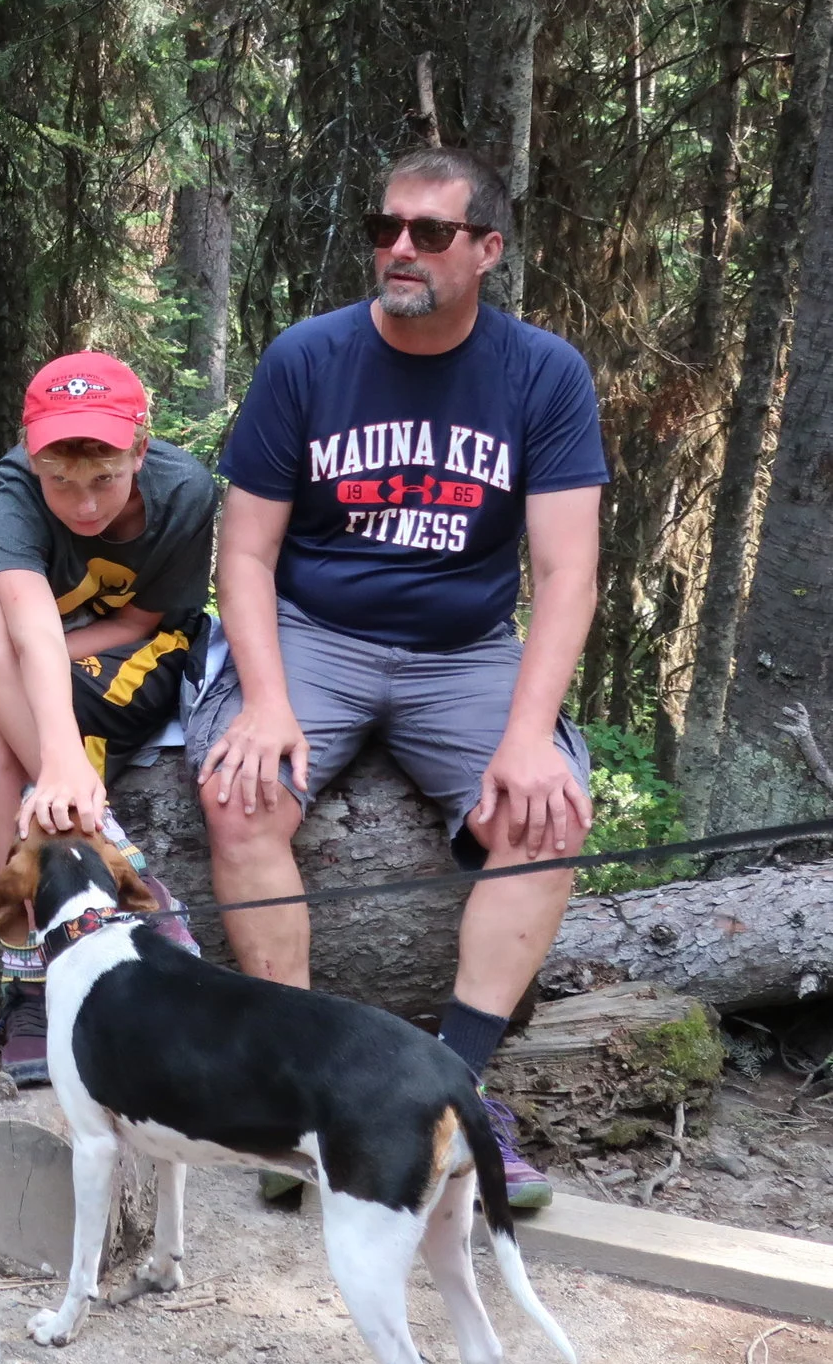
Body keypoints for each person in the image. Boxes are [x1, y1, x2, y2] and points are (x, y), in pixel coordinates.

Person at [187, 146, 607, 1207]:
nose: (400, 250)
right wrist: (267, 698)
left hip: (462, 649)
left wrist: (528, 731)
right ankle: (301, 1100)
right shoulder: (306, 358)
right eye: (386, 229)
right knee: (239, 792)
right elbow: (242, 553)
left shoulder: (542, 372)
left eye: (428, 232)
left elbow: (565, 574)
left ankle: (453, 1091)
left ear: (487, 249)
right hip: (311, 629)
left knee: (546, 811)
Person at [0, 352, 215, 1085]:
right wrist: (49, 741)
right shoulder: (12, 488)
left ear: (140, 449)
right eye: (60, 481)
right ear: (33, 458)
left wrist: (0, 677)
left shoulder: (184, 490)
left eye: (105, 480)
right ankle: (85, 895)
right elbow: (24, 620)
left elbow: (143, 618)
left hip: (140, 651)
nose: (84, 505)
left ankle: (34, 972)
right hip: (47, 647)